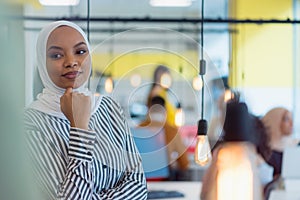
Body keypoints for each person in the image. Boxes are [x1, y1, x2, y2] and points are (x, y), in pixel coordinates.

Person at [24, 21, 147, 199]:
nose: (71, 62)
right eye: (56, 55)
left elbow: (139, 186)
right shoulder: (29, 123)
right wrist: (79, 128)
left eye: (80, 52)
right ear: (42, 63)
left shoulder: (109, 109)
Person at [139, 96, 189, 180]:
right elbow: (184, 163)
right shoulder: (172, 131)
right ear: (165, 110)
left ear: (148, 110)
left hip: (140, 182)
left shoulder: (138, 129)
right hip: (164, 181)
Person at [262, 107, 300, 177]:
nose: (291, 124)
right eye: (286, 119)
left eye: (291, 119)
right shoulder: (264, 152)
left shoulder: (297, 145)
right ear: (274, 121)